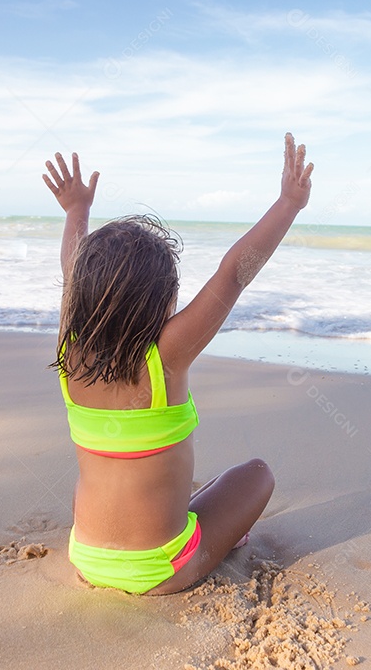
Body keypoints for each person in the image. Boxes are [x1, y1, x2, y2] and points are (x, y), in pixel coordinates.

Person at [43, 133, 314, 594]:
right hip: (163, 570)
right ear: (160, 300)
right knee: (255, 474)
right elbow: (233, 274)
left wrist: (76, 211)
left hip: (86, 558)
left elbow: (74, 272)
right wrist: (289, 203)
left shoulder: (71, 350)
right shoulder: (164, 358)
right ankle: (202, 540)